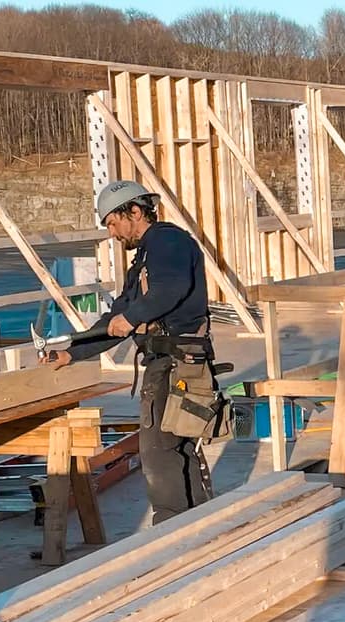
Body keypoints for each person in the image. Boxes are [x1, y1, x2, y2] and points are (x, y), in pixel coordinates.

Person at [42, 180, 214, 524]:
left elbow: (171, 289)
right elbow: (113, 321)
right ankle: (199, 525)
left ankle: (173, 528)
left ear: (135, 212)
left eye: (112, 222)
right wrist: (72, 353)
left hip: (177, 363)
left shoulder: (168, 241)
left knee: (159, 451)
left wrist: (133, 316)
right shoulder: (144, 259)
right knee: (176, 447)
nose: (112, 233)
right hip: (168, 361)